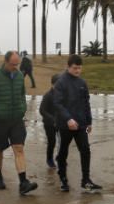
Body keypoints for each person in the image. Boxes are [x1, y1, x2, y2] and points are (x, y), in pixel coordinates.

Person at [0, 50, 38, 195]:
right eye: (13, 64)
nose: (15, 67)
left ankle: (23, 182)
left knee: (19, 148)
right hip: (0, 121)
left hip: (16, 120)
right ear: (5, 61)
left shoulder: (18, 76)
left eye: (17, 64)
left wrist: (23, 108)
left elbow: (22, 94)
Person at [52, 54, 100, 192]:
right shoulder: (61, 82)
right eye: (75, 68)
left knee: (85, 150)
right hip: (64, 125)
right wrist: (68, 119)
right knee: (63, 152)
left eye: (79, 68)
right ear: (68, 67)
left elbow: (86, 103)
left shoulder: (82, 83)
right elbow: (57, 104)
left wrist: (89, 122)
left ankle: (86, 180)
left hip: (81, 125)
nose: (77, 71)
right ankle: (63, 179)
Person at [39, 73, 60, 170]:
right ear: (52, 84)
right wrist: (52, 119)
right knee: (52, 142)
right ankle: (49, 159)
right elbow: (42, 110)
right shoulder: (48, 95)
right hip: (49, 124)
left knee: (63, 141)